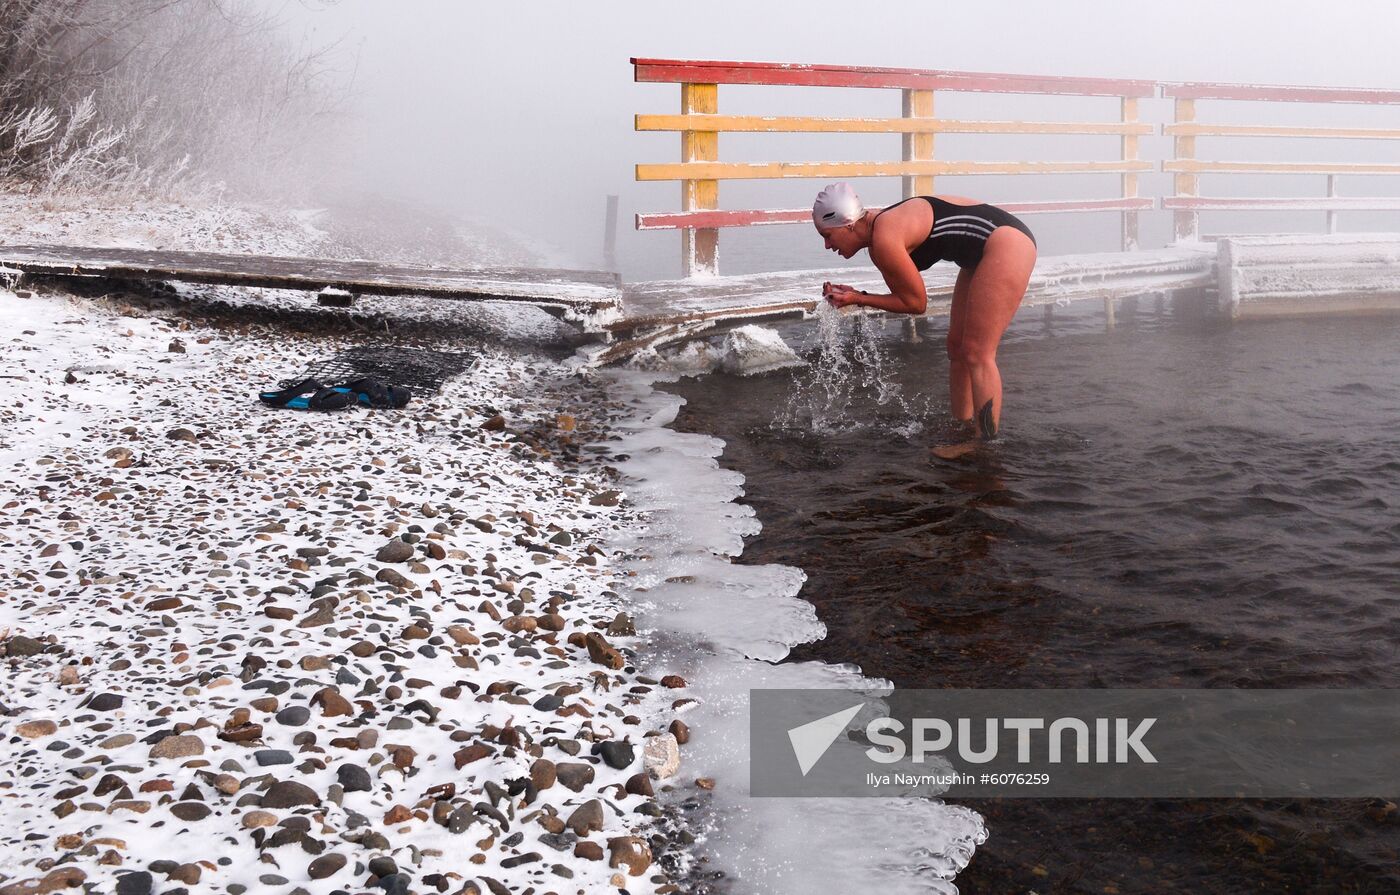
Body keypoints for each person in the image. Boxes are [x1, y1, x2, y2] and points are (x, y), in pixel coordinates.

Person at [813, 182, 1036, 456]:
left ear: (847, 224)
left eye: (827, 235)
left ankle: (984, 445)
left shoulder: (884, 237)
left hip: (1007, 243)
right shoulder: (878, 238)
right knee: (957, 348)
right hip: (979, 253)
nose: (826, 245)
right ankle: (963, 425)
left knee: (978, 353)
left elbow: (916, 303)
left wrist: (858, 298)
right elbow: (903, 297)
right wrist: (857, 295)